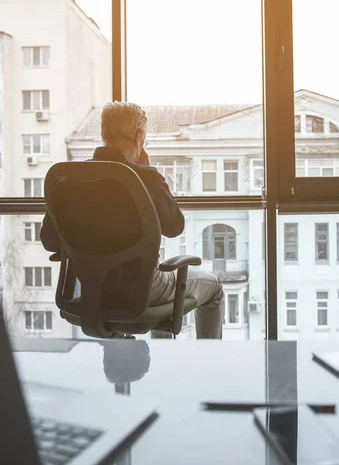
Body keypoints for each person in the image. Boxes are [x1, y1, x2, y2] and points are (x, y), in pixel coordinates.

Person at [40, 101, 223, 339]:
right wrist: (148, 175)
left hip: (93, 292)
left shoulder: (66, 181)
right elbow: (174, 227)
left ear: (104, 134)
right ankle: (211, 362)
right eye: (143, 140)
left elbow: (49, 241)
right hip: (142, 290)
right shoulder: (145, 176)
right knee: (214, 287)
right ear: (139, 137)